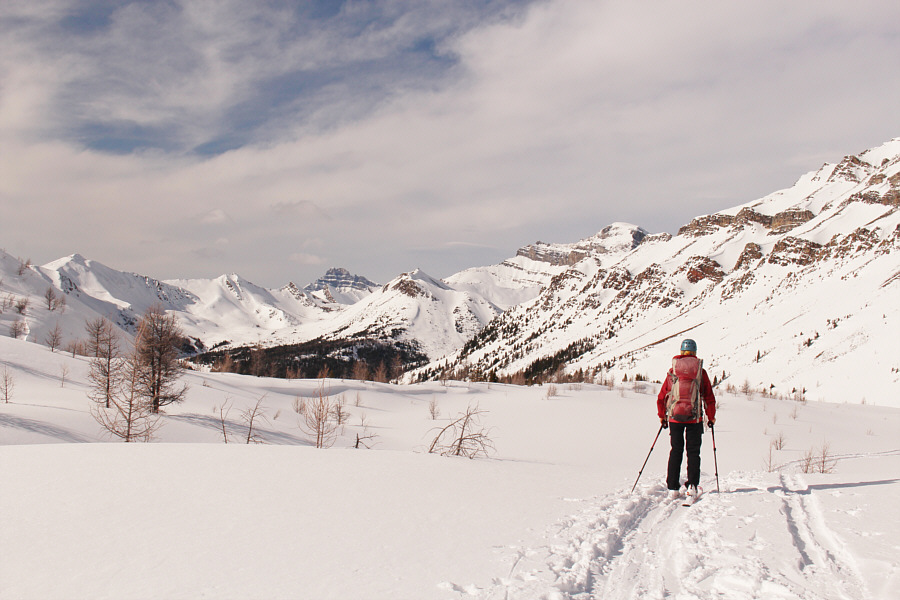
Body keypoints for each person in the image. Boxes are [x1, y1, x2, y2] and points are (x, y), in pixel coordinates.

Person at [657, 339, 716, 499]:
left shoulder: (673, 371)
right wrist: (711, 417)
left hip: (675, 419)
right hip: (694, 419)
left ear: (681, 352)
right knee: (693, 452)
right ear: (695, 352)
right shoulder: (700, 372)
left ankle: (672, 488)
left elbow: (662, 396)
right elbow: (709, 397)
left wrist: (662, 416)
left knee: (676, 451)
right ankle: (692, 486)